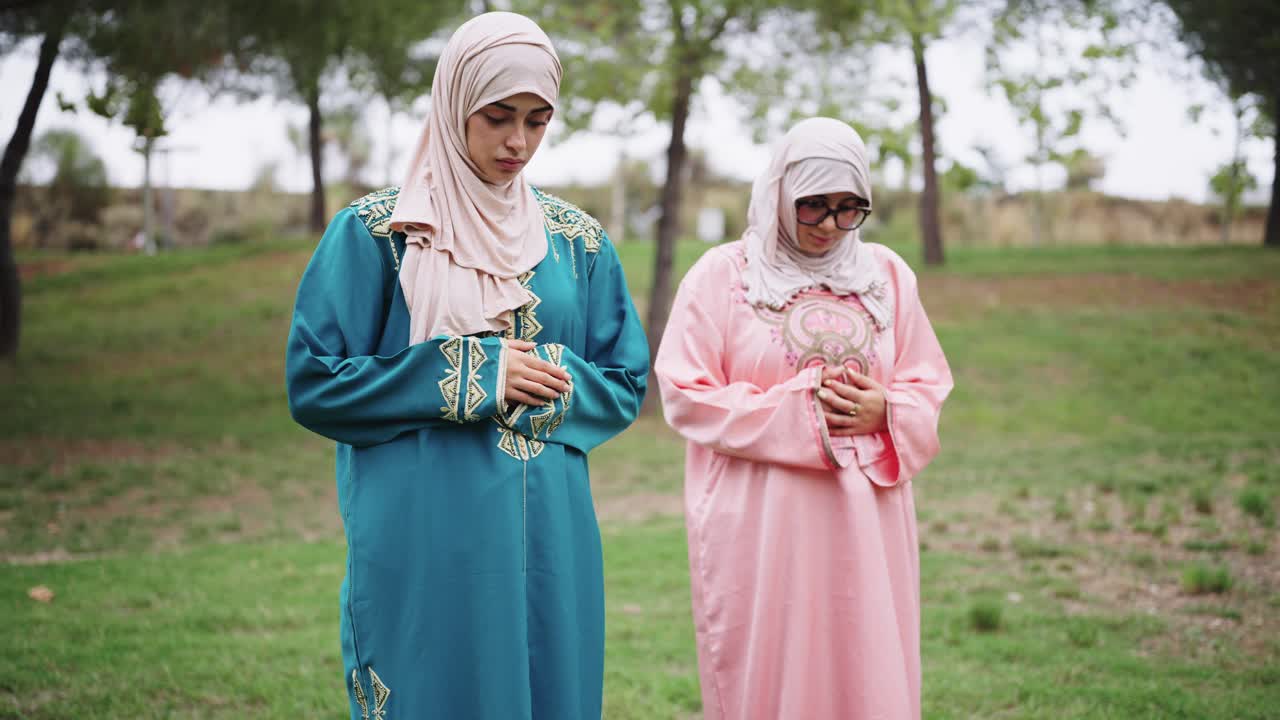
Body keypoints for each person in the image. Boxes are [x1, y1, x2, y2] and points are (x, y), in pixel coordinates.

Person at [284, 12, 648, 719]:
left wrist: (547, 377)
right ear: (455, 105)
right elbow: (316, 382)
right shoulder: (380, 233)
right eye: (498, 117)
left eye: (539, 121)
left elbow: (626, 379)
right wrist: (471, 374)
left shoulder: (578, 243)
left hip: (550, 536)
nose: (518, 142)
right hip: (425, 529)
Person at [655, 117, 953, 720]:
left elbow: (927, 382)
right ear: (779, 193)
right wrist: (795, 411)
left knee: (865, 660)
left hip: (866, 522)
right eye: (812, 205)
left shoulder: (886, 276)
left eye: (849, 209)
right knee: (775, 668)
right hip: (764, 521)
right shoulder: (724, 275)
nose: (828, 226)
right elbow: (686, 392)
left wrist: (885, 410)